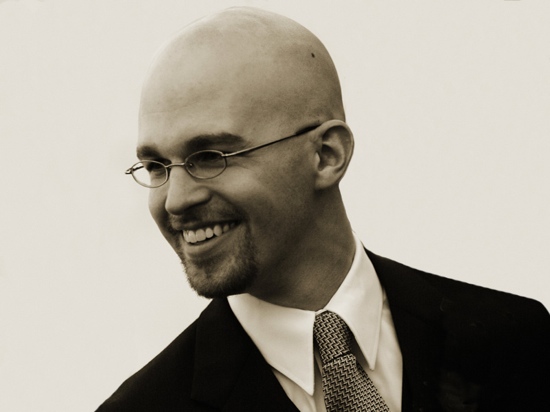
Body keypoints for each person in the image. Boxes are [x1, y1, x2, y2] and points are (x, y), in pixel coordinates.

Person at [97, 7, 550, 412]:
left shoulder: (515, 341)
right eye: (156, 166)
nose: (175, 199)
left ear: (327, 155)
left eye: (210, 157)